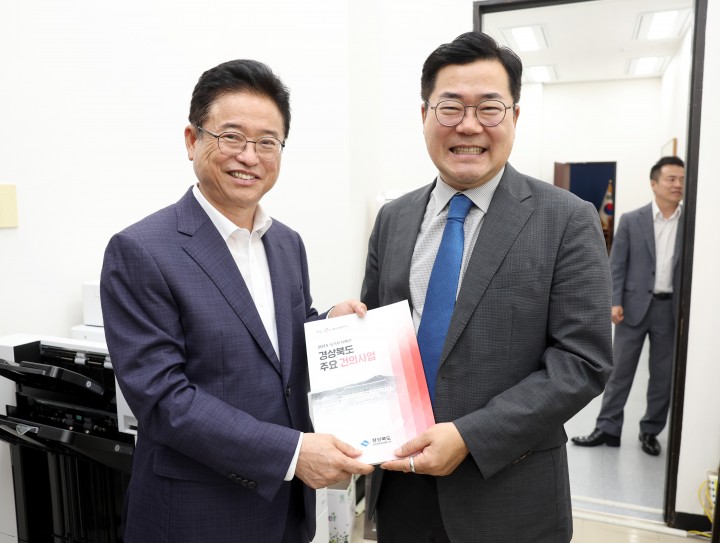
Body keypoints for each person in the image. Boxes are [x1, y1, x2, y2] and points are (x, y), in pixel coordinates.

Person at [100, 59, 373, 543]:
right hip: (197, 514)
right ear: (192, 140)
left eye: (267, 142)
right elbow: (164, 400)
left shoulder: (286, 243)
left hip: (285, 513)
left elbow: (274, 346)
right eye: (231, 137)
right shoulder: (141, 250)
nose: (250, 156)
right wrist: (292, 454)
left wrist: (328, 324)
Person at [361, 31, 613, 543]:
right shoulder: (394, 218)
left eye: (489, 108)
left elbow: (582, 361)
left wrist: (469, 436)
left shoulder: (566, 219)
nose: (469, 125)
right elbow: (377, 337)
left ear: (515, 116)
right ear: (425, 115)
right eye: (450, 107)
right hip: (401, 486)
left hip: (508, 496)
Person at [572, 156, 685, 457]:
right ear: (654, 184)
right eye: (671, 179)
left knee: (662, 376)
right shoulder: (632, 220)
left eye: (682, 179)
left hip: (670, 310)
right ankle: (607, 428)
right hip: (632, 308)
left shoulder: (691, 223)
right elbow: (617, 264)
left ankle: (650, 431)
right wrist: (614, 301)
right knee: (619, 372)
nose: (678, 184)